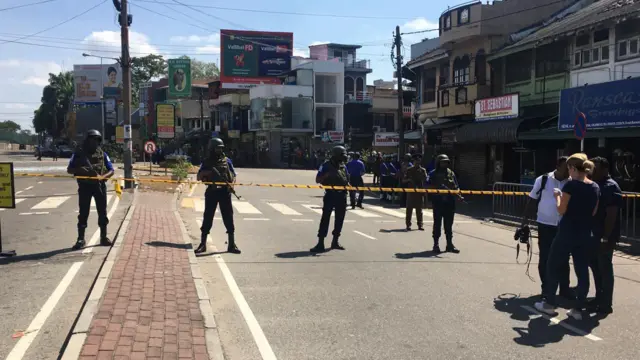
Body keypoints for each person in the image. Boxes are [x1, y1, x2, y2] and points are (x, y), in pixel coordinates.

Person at [535, 153, 599, 320]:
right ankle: (578, 308)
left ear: (572, 168)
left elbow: (561, 210)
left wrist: (558, 196)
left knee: (553, 264)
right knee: (582, 270)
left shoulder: (570, 186)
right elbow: (594, 212)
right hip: (585, 232)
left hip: (567, 231)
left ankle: (549, 303)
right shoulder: (595, 187)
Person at [521, 156, 573, 300]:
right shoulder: (543, 180)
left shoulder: (571, 182)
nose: (568, 171)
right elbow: (531, 200)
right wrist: (524, 221)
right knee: (545, 257)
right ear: (557, 166)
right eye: (565, 168)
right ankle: (546, 288)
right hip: (545, 225)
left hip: (563, 225)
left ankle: (564, 289)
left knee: (563, 258)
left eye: (570, 168)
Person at [67, 130, 114, 250]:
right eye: (93, 140)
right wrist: (82, 170)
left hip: (99, 186)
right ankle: (80, 239)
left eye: (97, 140)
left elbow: (111, 170)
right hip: (85, 187)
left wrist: (102, 177)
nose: (95, 142)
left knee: (102, 212)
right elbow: (70, 169)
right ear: (87, 140)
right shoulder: (78, 153)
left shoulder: (102, 154)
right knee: (83, 213)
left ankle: (103, 237)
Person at [588, 157, 622, 315]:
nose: (591, 171)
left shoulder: (610, 186)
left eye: (594, 168)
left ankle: (606, 303)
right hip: (594, 234)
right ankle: (599, 297)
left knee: (605, 268)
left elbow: (611, 214)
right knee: (596, 267)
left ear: (604, 169)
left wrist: (606, 237)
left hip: (605, 236)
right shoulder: (596, 184)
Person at [195, 138, 240, 255]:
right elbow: (199, 176)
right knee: (208, 217)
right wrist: (209, 172)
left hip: (225, 192)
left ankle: (231, 244)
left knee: (228, 217)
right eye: (217, 148)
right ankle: (203, 244)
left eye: (221, 148)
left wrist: (231, 185)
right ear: (211, 149)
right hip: (212, 192)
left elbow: (233, 175)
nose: (219, 150)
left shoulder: (227, 161)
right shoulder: (206, 162)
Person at [310, 145, 349, 253]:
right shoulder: (326, 165)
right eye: (342, 155)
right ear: (335, 155)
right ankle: (320, 242)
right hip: (330, 195)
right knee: (325, 219)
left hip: (342, 196)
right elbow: (318, 180)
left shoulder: (343, 166)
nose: (343, 158)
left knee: (339, 219)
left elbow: (346, 179)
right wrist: (326, 175)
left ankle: (335, 241)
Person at [427, 154, 460, 254]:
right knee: (437, 224)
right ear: (438, 163)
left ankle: (449, 244)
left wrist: (458, 193)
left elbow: (456, 186)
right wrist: (436, 187)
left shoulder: (451, 173)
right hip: (438, 202)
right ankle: (436, 244)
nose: (444, 163)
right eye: (442, 162)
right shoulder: (433, 173)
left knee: (448, 225)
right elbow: (426, 185)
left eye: (446, 162)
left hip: (449, 202)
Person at [404, 153, 427, 231]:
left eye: (418, 161)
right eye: (415, 161)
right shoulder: (409, 170)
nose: (417, 163)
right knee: (409, 210)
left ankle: (420, 225)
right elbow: (404, 180)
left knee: (419, 210)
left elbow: (425, 179)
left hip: (419, 192)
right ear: (413, 162)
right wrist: (409, 180)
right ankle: (408, 225)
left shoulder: (423, 170)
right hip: (411, 192)